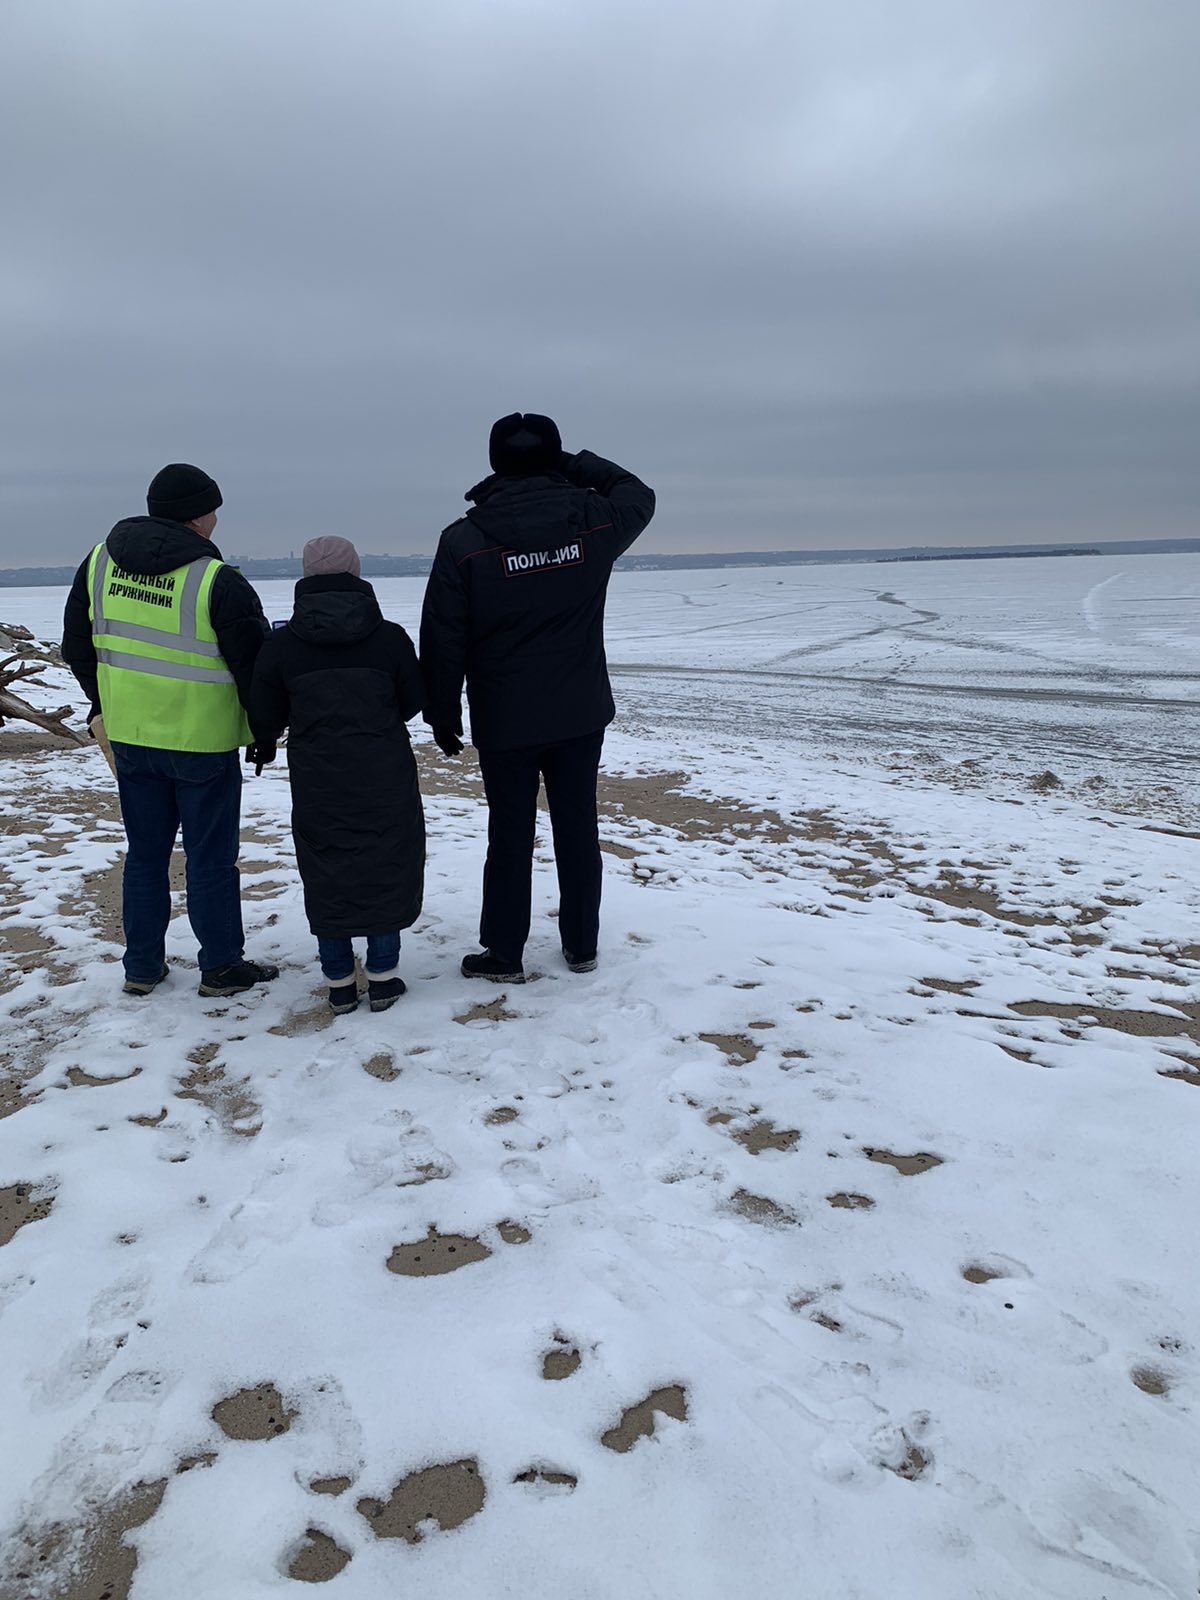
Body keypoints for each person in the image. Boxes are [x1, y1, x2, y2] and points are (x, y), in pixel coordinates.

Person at [420, 412, 655, 983]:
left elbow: (443, 635)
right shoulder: (593, 522)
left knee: (509, 835)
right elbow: (637, 493)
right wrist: (572, 464)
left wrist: (443, 711)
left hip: (506, 717)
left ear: (495, 463)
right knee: (578, 828)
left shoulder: (466, 540)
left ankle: (504, 953)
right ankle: (581, 946)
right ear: (553, 461)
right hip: (578, 712)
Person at [61, 463, 279, 998]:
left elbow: (77, 645)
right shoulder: (217, 580)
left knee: (145, 854)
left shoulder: (98, 563)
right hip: (203, 743)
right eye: (214, 510)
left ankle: (141, 966)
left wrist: (106, 702)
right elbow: (254, 667)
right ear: (199, 517)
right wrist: (265, 731)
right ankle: (223, 967)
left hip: (132, 737)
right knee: (210, 858)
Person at [249, 537, 425, 1014]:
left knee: (327, 866)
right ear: (358, 574)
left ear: (305, 579)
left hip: (317, 773)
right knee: (386, 858)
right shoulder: (389, 638)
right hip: (383, 768)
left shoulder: (282, 645)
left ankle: (340, 982)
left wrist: (267, 739)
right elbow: (412, 701)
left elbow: (264, 710)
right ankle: (384, 977)